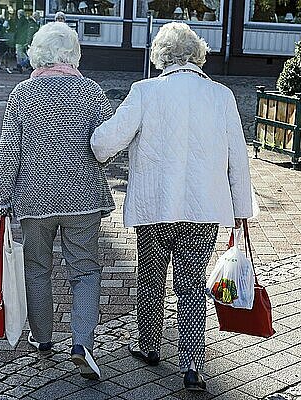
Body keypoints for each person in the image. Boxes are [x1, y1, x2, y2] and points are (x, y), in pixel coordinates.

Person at [90, 22, 254, 392]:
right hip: (202, 209)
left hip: (155, 206)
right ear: (198, 55)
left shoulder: (145, 92)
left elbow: (104, 144)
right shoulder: (221, 95)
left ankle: (148, 346)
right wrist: (241, 209)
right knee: (192, 284)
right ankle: (192, 363)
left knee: (150, 279)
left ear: (160, 56)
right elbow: (238, 159)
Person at [0, 21, 114, 381]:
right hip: (83, 198)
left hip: (34, 199)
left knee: (37, 269)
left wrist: (1, 195)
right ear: (73, 54)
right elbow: (105, 145)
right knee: (86, 271)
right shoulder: (91, 92)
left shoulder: (22, 95)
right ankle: (82, 343)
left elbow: (7, 151)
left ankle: (42, 340)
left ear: (37, 54)